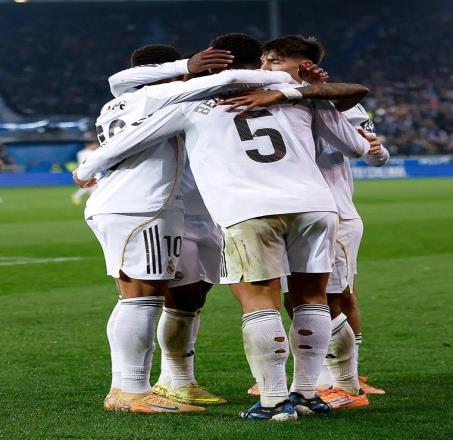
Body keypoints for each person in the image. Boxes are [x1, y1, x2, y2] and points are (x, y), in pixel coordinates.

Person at [75, 33, 372, 421]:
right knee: (313, 298)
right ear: (259, 61)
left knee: (259, 300)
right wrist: (297, 88)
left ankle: (274, 401)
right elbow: (359, 144)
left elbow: (126, 139)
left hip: (249, 209)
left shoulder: (191, 103)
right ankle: (308, 393)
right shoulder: (296, 93)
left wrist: (85, 169)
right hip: (317, 206)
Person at [76, 43, 267, 414]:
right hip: (144, 204)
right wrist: (287, 84)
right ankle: (131, 390)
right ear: (170, 72)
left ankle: (144, 385)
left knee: (149, 297)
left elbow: (119, 80)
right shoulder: (162, 96)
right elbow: (227, 80)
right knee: (141, 298)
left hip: (132, 203)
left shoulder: (119, 102)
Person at [239, 34, 388, 406]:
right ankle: (316, 377)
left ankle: (346, 379)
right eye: (264, 60)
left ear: (303, 65)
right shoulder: (263, 99)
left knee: (336, 297)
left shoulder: (334, 101)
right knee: (297, 298)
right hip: (285, 212)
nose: (265, 67)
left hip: (332, 210)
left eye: (275, 61)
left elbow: (374, 153)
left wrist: (373, 146)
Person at [106, 45, 234, 407]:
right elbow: (120, 79)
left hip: (194, 210)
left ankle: (177, 379)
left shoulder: (141, 101)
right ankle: (130, 389)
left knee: (189, 297)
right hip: (161, 206)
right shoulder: (155, 98)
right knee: (142, 297)